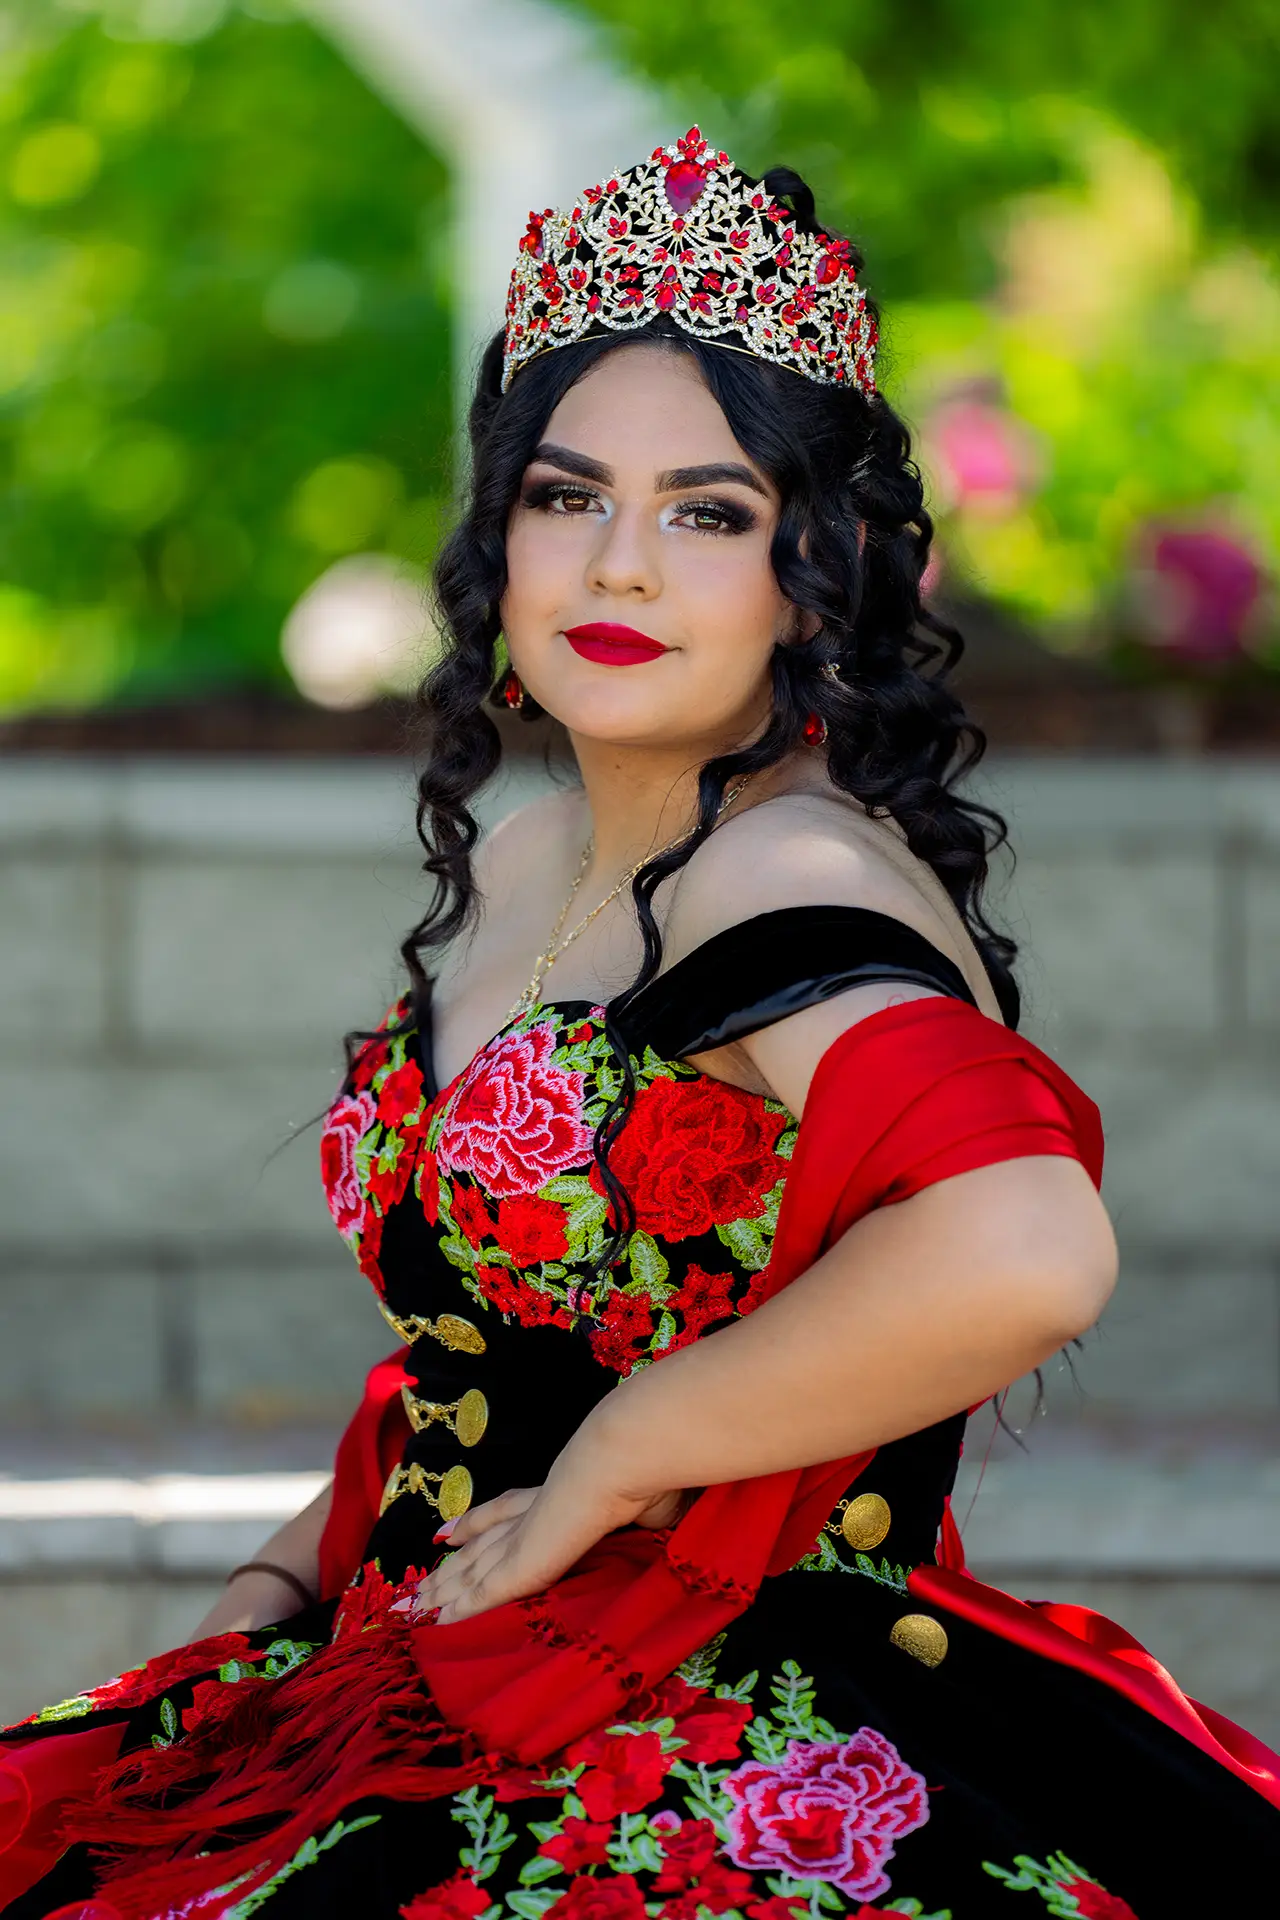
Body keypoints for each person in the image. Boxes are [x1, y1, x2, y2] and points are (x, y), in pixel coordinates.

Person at [3, 127, 1278, 1920]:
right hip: (427, 1637)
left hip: (694, 1687)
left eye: (707, 514)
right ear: (497, 533)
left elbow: (1026, 1253)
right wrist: (282, 1589)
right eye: (564, 494)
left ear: (812, 572)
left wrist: (616, 1457)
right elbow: (489, 1334)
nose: (619, 567)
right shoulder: (537, 856)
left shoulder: (788, 876)